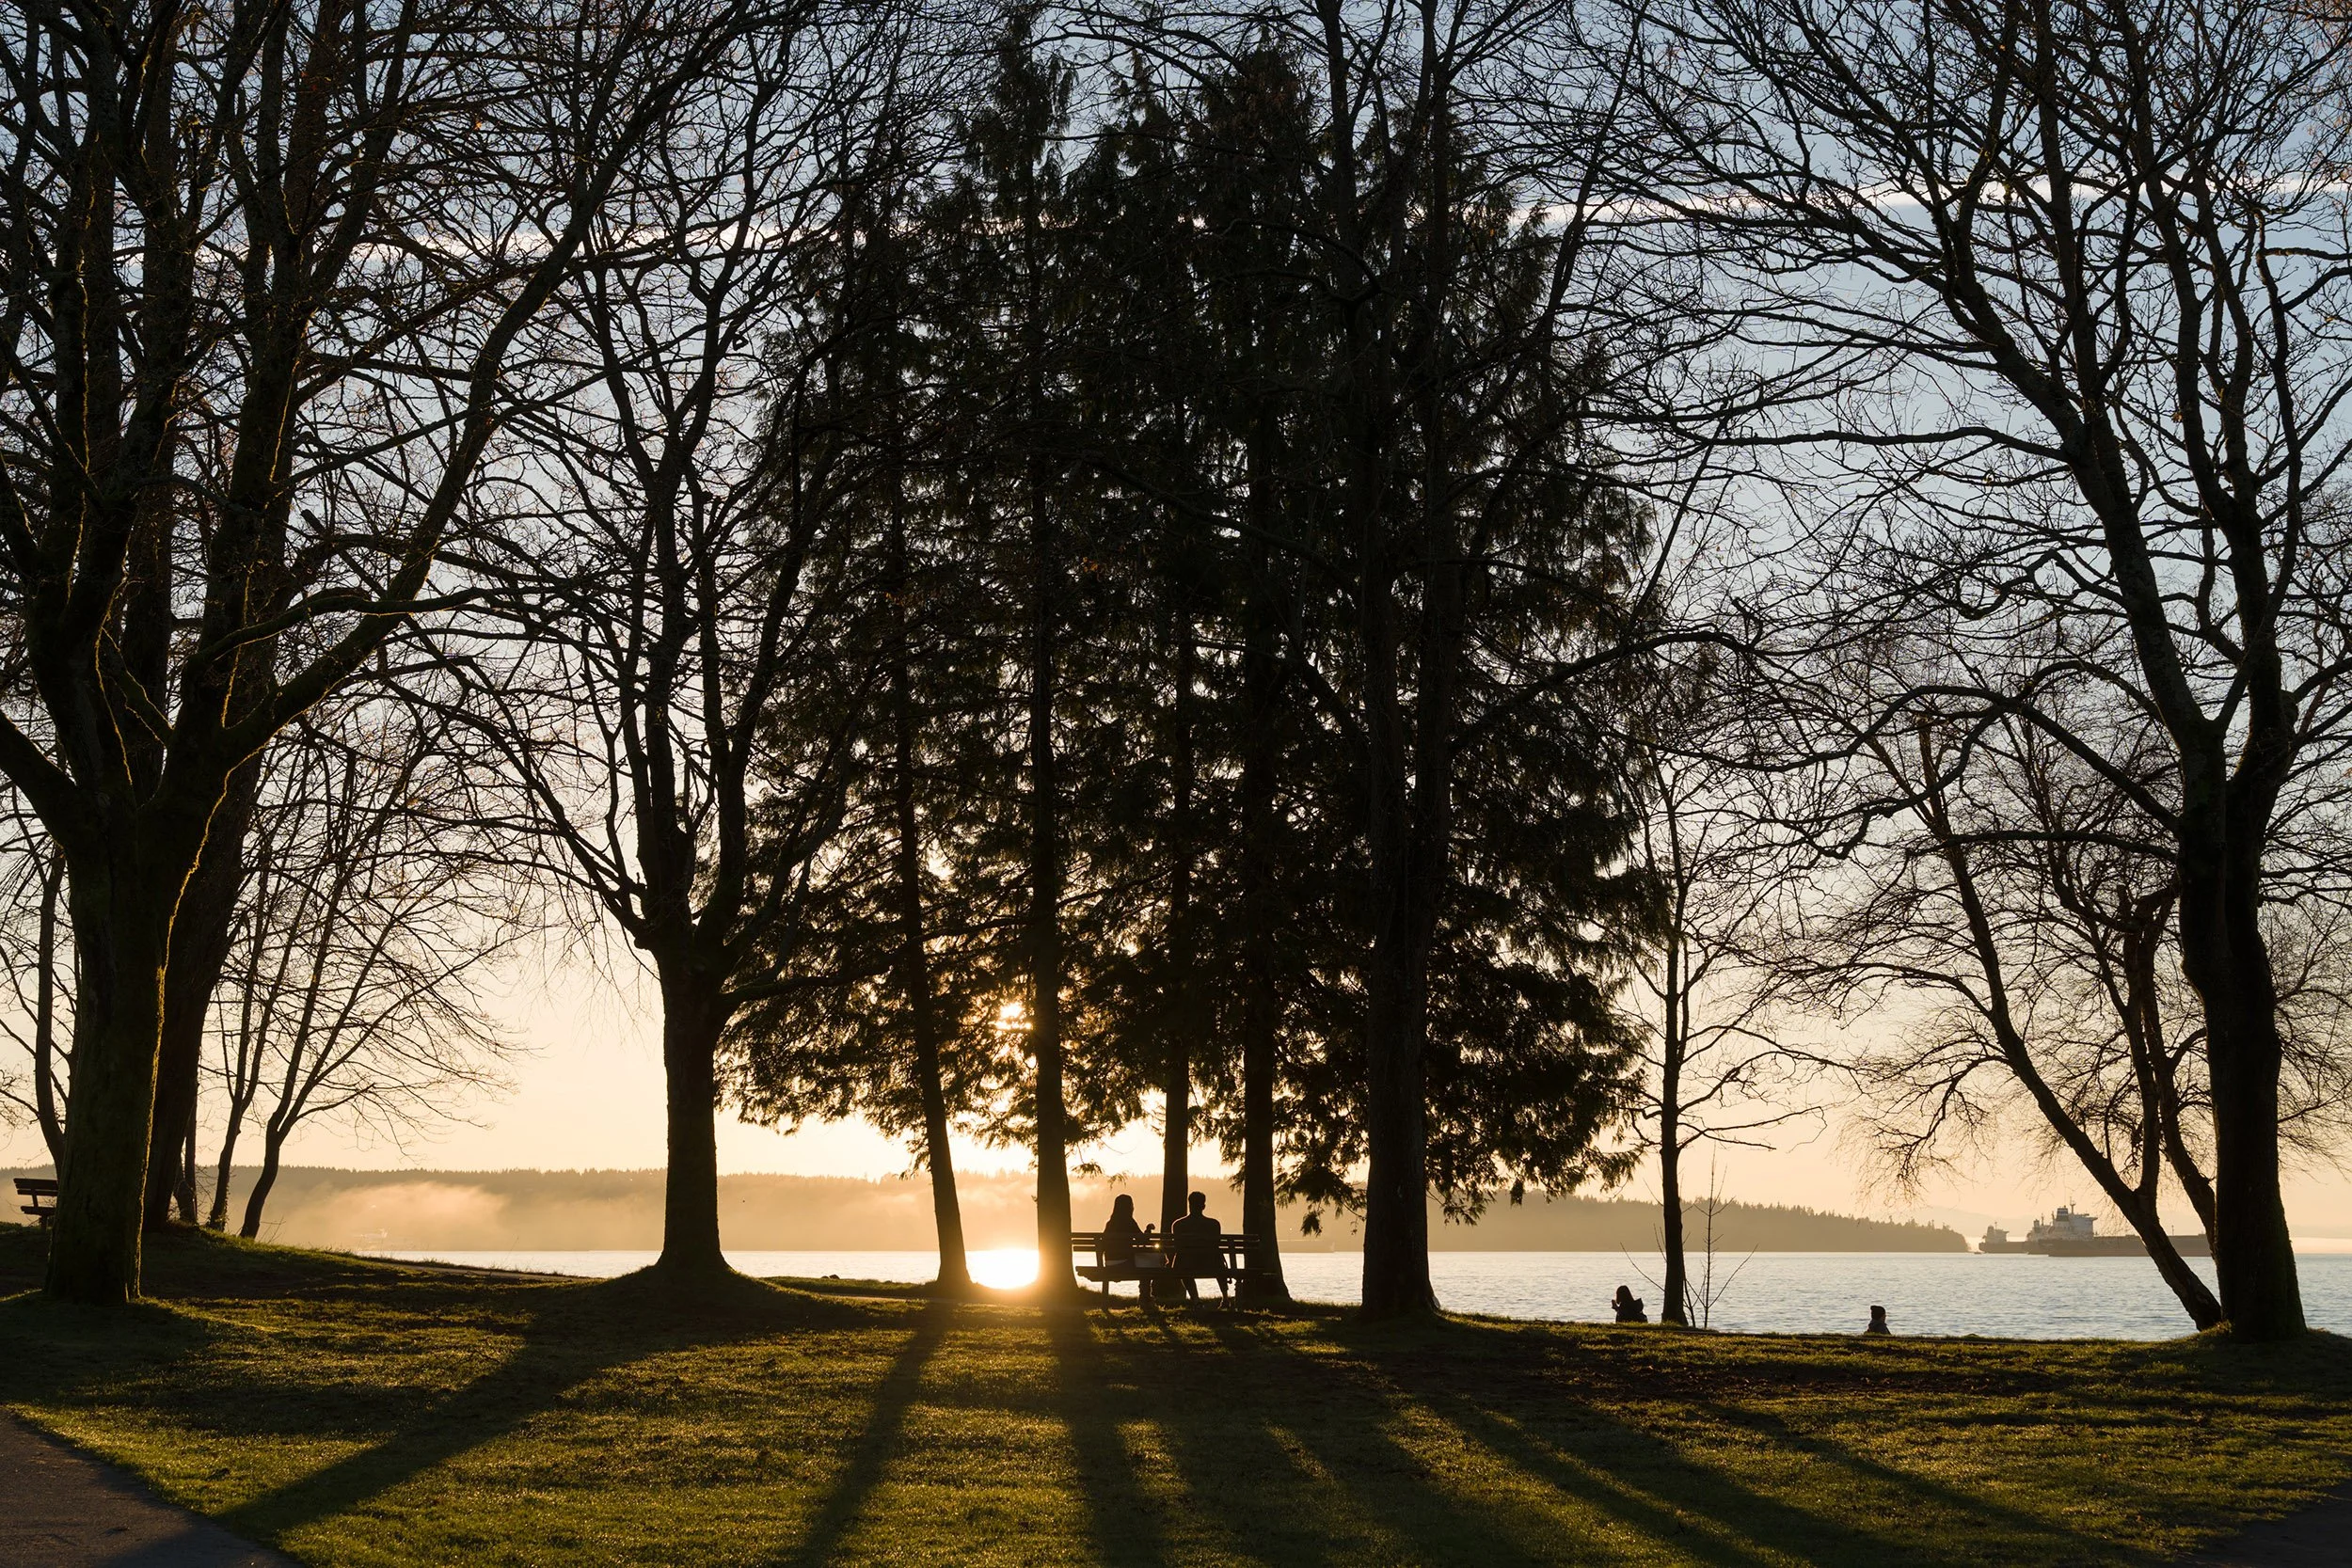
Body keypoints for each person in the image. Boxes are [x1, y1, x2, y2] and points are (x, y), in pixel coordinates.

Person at [1168, 1190, 1230, 1302]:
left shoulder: (1178, 1225)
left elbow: (1178, 1247)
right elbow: (1216, 1246)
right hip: (1211, 1264)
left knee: (1183, 1265)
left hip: (1187, 1264)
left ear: (1189, 1205)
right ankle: (1225, 1298)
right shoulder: (1214, 1224)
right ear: (1203, 1206)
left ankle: (1196, 1300)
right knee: (1218, 1261)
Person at [1099, 1194, 1149, 1265]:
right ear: (1129, 1207)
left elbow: (1102, 1243)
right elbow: (1143, 1241)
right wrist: (1148, 1230)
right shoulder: (1130, 1222)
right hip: (1125, 1262)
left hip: (1109, 1263)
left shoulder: (1110, 1223)